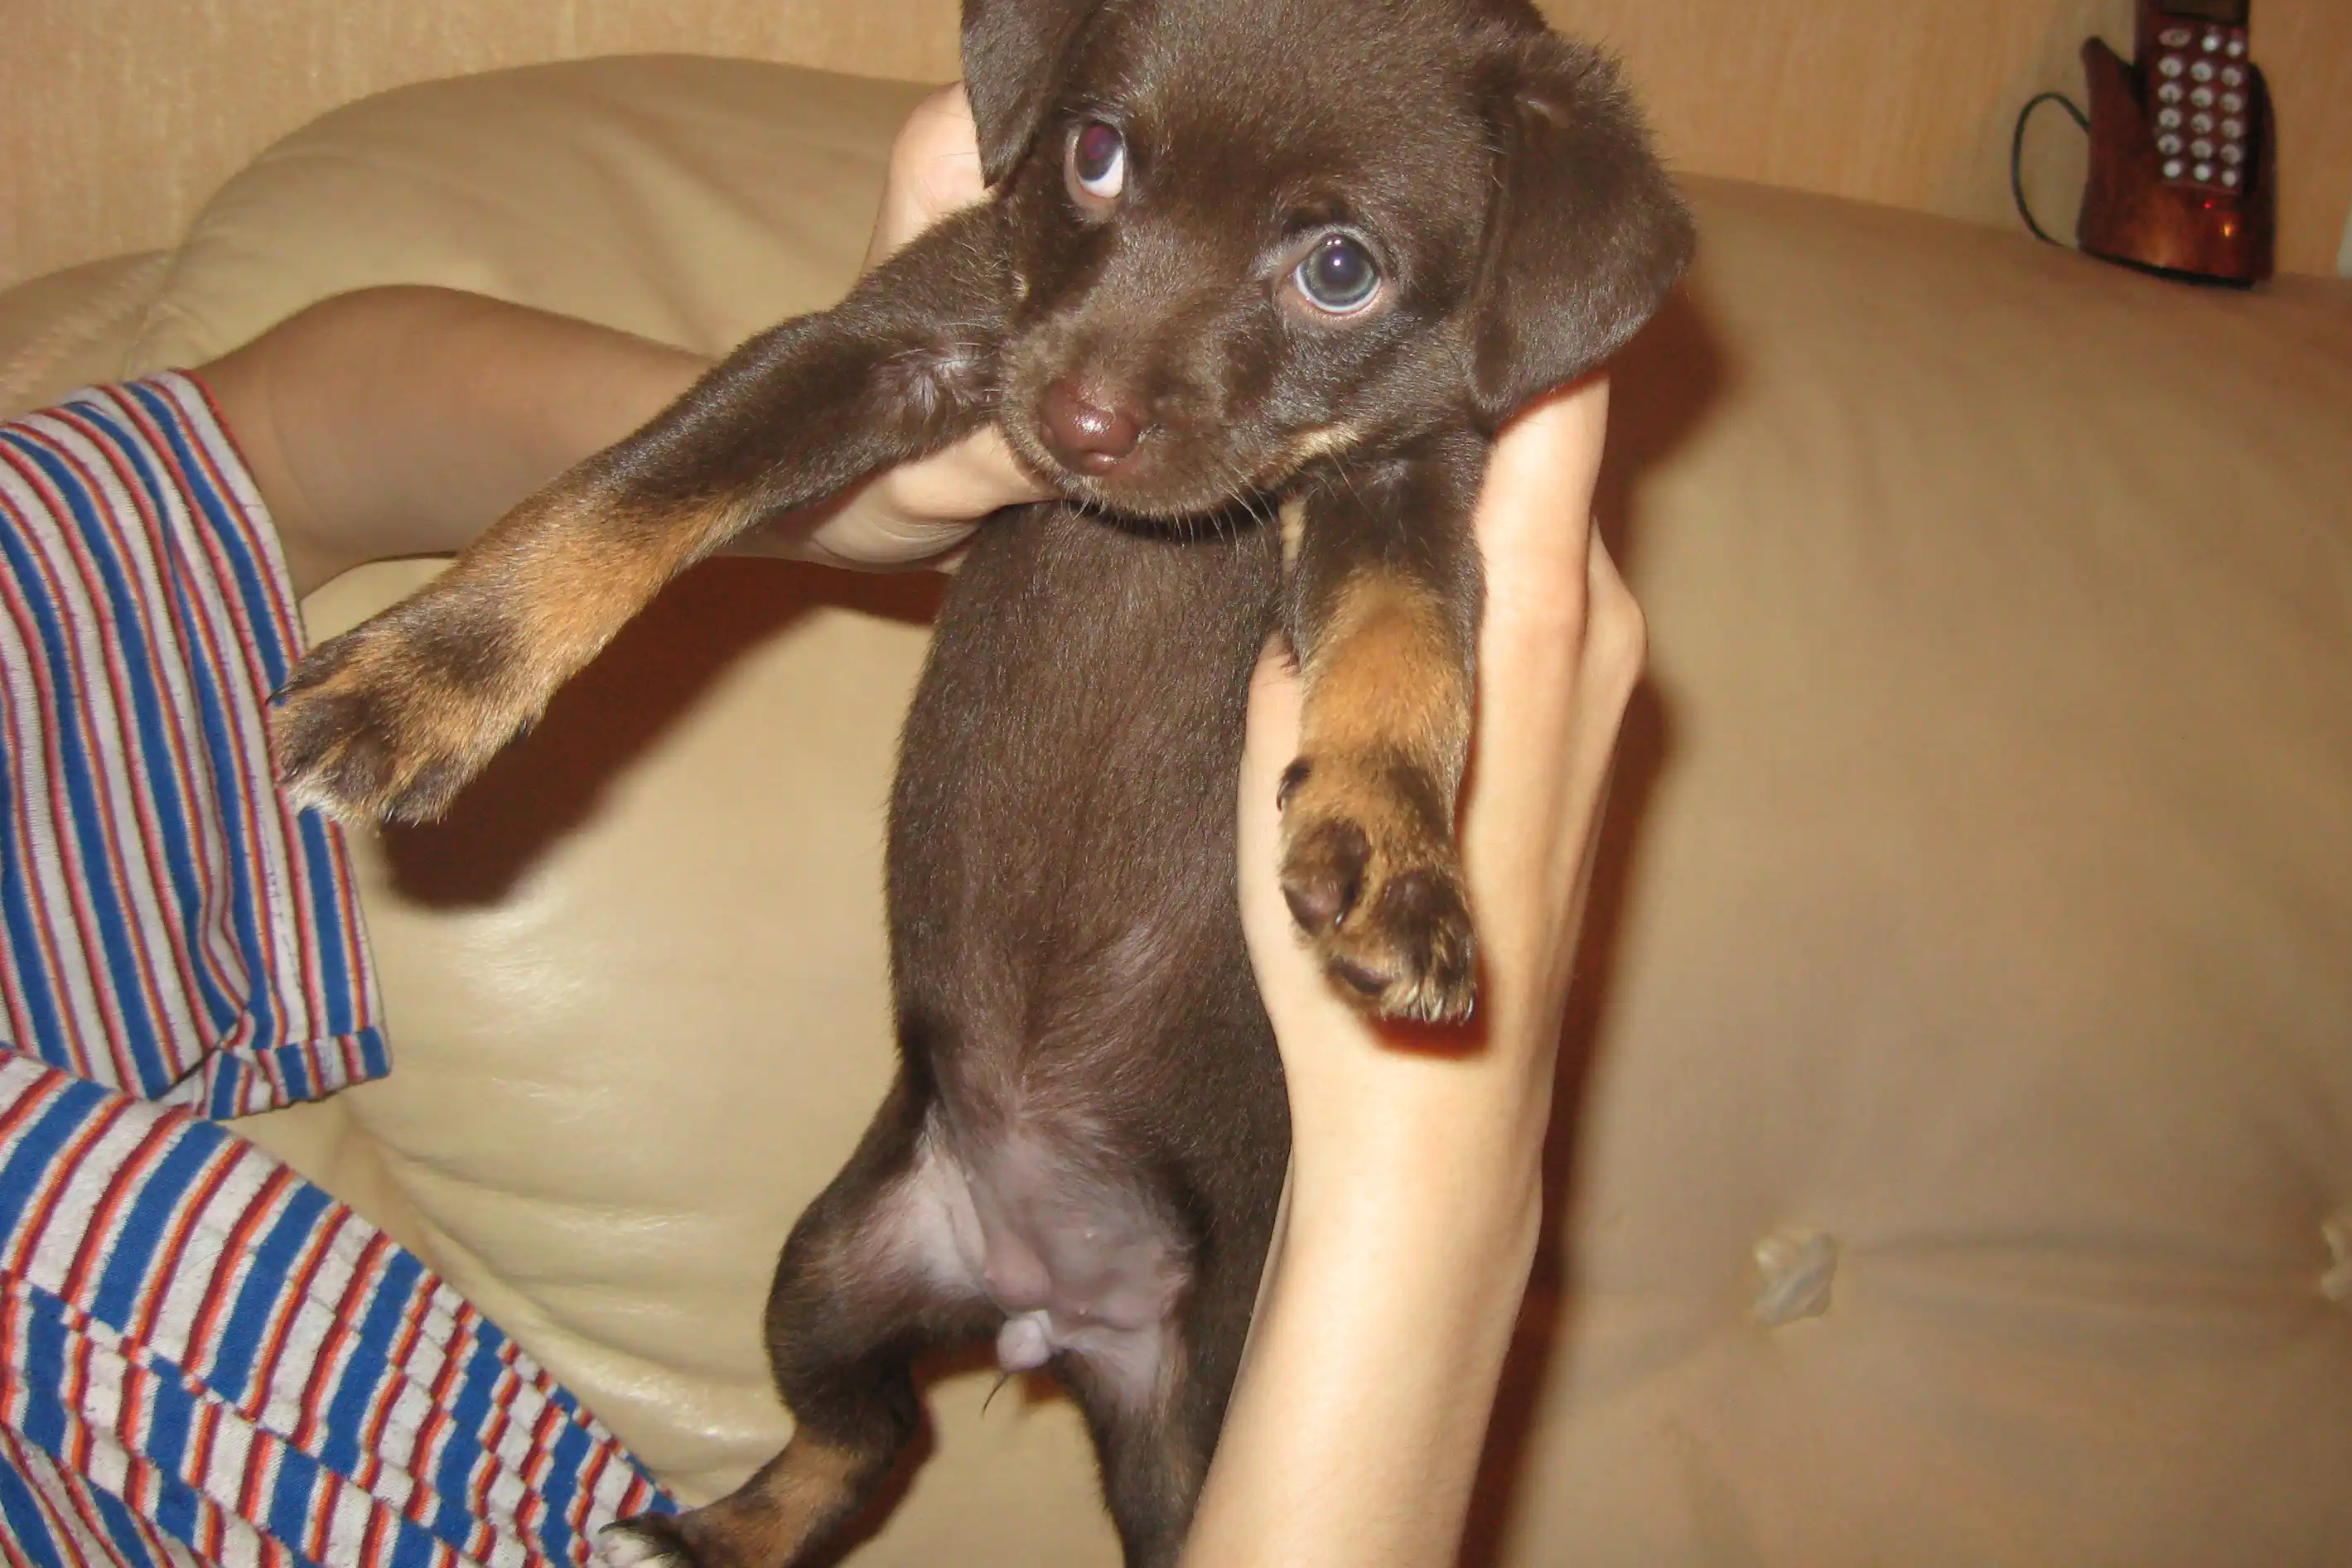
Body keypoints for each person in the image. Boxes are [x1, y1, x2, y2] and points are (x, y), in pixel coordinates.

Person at [0, 86, 1641, 1566]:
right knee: (829, 1309)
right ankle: (830, 1468)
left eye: (1333, 267)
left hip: (1180, 1219)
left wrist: (854, 507)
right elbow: (866, 358)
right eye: (1104, 159)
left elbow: (265, 433)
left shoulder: (1348, 372)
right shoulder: (1052, 276)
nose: (1104, 387)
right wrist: (1444, 1160)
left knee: (1179, 1493)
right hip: (956, 1136)